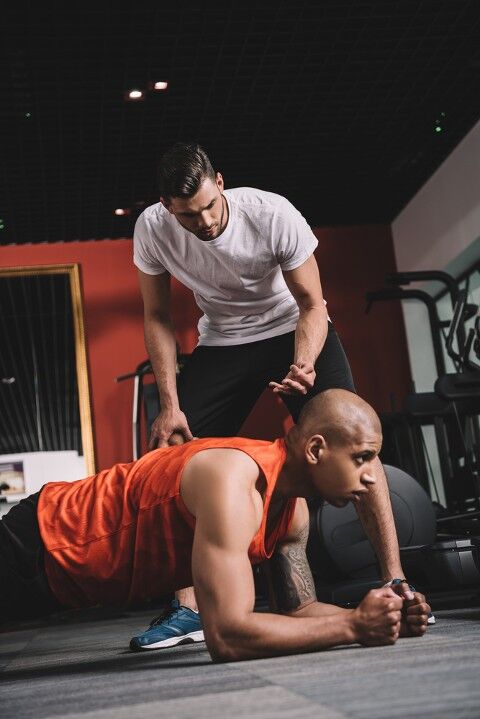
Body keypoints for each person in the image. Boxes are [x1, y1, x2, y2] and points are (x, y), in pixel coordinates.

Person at [133, 141, 412, 647]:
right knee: (174, 454)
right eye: (188, 217)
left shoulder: (271, 213)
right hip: (224, 340)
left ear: (221, 183)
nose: (205, 224)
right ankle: (187, 608)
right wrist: (170, 404)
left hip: (294, 326)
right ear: (165, 208)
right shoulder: (153, 228)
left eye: (209, 208)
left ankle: (395, 581)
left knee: (354, 442)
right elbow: (157, 317)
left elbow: (311, 303)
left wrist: (304, 363)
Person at [0, 390, 431, 661]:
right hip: (40, 544)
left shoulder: (291, 510)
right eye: (362, 457)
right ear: (316, 449)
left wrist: (381, 615)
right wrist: (354, 627)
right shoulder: (232, 482)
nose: (374, 476)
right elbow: (226, 636)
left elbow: (298, 609)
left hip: (67, 583)